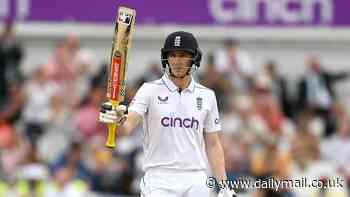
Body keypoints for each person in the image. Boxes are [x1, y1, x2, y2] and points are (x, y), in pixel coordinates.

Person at [99, 31, 236, 197]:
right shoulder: (149, 90)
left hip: (196, 177)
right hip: (159, 177)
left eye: (183, 55)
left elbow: (213, 144)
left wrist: (223, 185)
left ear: (194, 58)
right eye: (173, 55)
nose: (177, 61)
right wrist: (117, 120)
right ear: (166, 58)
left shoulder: (207, 95)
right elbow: (128, 126)